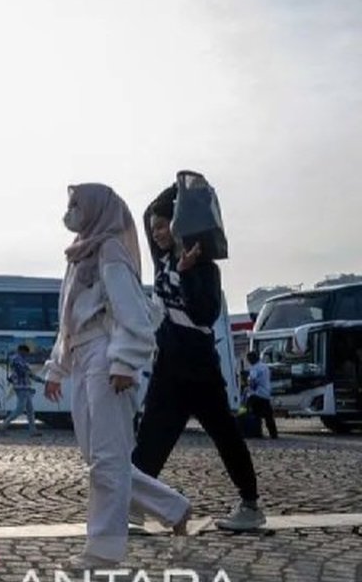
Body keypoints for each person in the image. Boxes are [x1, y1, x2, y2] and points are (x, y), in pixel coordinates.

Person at [43, 184, 192, 570]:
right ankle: (173, 508)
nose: (70, 210)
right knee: (100, 458)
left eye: (77, 204)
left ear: (96, 209)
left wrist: (125, 363)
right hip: (84, 356)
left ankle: (103, 550)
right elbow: (69, 318)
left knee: (107, 459)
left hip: (106, 357)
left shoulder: (109, 249)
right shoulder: (81, 251)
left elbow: (133, 313)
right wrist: (58, 367)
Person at [132, 185, 266, 532]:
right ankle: (133, 505)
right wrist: (183, 186)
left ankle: (251, 506)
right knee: (150, 437)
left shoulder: (206, 268)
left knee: (226, 436)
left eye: (164, 226)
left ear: (178, 227)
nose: (157, 233)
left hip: (201, 370)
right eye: (156, 228)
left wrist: (188, 271)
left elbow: (204, 315)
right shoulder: (161, 258)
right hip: (168, 366)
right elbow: (149, 211)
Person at [0, 344, 45, 436]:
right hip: (21, 387)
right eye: (25, 352)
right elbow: (25, 372)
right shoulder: (17, 359)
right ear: (21, 351)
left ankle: (33, 431)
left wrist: (38, 379)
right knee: (20, 410)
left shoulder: (19, 359)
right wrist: (39, 380)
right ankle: (3, 426)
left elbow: (26, 372)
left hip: (24, 386)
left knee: (30, 410)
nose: (26, 354)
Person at [244, 351, 277, 440]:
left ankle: (256, 432)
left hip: (256, 394)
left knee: (254, 415)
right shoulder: (265, 366)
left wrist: (248, 386)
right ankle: (273, 433)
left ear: (251, 359)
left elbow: (252, 382)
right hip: (266, 394)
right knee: (268, 416)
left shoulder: (254, 368)